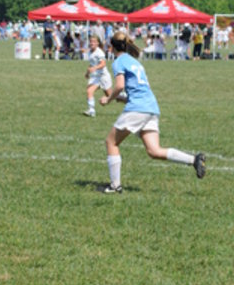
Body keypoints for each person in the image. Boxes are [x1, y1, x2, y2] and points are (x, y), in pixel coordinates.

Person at [99, 31, 206, 193]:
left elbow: (120, 85)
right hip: (151, 107)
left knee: (111, 142)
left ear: (112, 47)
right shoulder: (135, 62)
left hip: (137, 108)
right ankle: (194, 160)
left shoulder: (118, 61)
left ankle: (115, 186)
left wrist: (108, 99)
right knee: (154, 151)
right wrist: (121, 99)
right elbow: (139, 90)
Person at [83, 35, 113, 117]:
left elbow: (103, 64)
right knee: (89, 91)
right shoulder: (90, 52)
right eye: (91, 41)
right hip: (96, 77)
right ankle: (91, 111)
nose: (92, 43)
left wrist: (95, 68)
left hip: (103, 76)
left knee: (111, 96)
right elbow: (91, 64)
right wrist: (87, 73)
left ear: (97, 43)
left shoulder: (99, 52)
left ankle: (125, 97)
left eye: (94, 42)